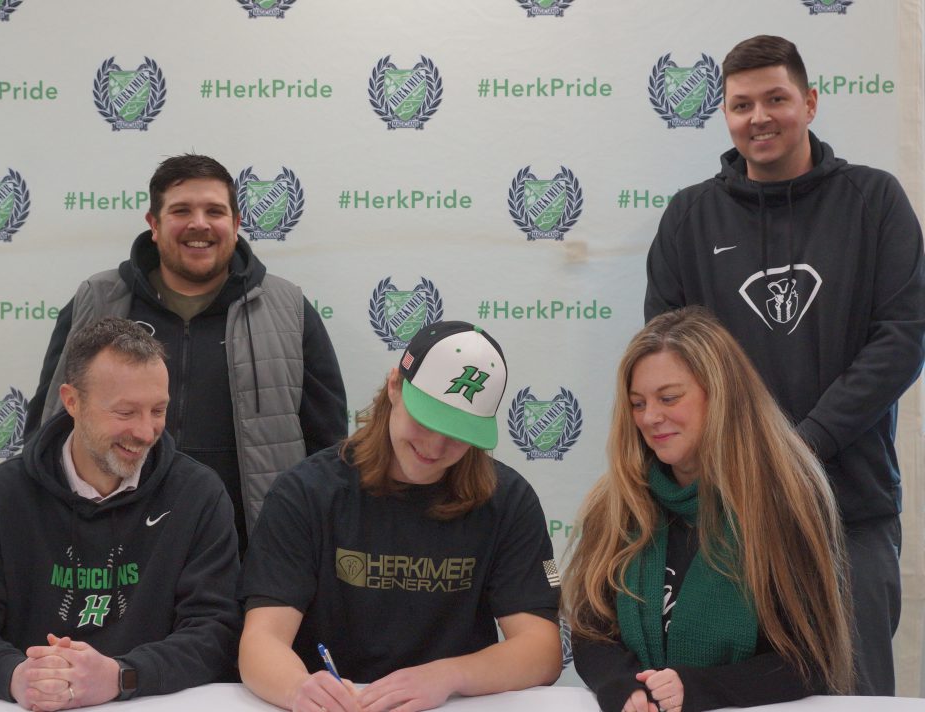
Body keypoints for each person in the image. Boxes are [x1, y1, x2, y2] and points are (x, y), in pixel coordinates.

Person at [643, 35, 925, 695]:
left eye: (776, 98)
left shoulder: (875, 201)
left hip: (849, 510)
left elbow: (904, 337)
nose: (759, 117)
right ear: (725, 115)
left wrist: (800, 449)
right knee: (729, 691)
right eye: (742, 104)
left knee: (852, 693)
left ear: (811, 102)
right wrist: (748, 460)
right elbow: (665, 357)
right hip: (724, 519)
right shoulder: (689, 217)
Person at [25, 154, 347, 560]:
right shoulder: (98, 299)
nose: (199, 224)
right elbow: (50, 423)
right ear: (154, 225)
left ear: (236, 223)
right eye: (181, 211)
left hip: (253, 552)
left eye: (215, 211)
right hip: (112, 548)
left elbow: (328, 445)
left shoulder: (289, 309)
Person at [238, 321, 563, 712]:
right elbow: (261, 640)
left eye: (458, 433)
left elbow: (542, 651)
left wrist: (448, 676)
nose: (435, 446)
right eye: (426, 420)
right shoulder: (306, 492)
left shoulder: (507, 500)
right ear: (395, 386)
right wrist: (298, 689)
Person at [0, 318, 241, 710]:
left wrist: (122, 676)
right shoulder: (6, 493)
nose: (146, 431)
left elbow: (215, 632)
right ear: (72, 401)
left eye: (158, 410)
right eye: (126, 413)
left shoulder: (198, 493)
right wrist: (16, 676)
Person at [563, 307, 853, 712]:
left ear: (721, 394)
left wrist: (699, 688)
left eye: (668, 398)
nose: (650, 417)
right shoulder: (614, 501)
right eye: (637, 403)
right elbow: (592, 631)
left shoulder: (788, 498)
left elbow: (812, 661)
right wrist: (623, 686)